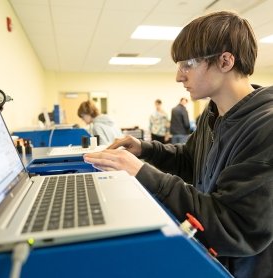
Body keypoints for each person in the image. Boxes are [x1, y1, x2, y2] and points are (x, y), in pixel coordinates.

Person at [83, 11, 273, 278]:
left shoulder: (265, 126)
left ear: (225, 61)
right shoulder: (213, 113)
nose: (178, 76)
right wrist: (145, 149)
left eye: (187, 64)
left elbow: (234, 227)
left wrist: (143, 173)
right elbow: (190, 159)